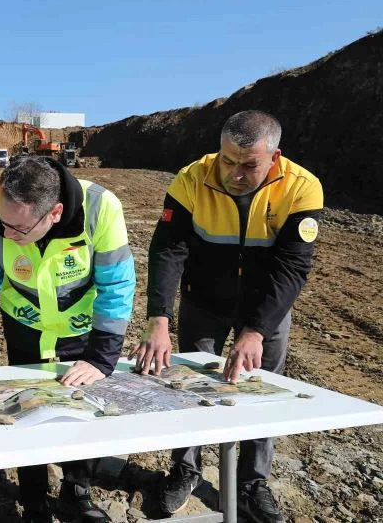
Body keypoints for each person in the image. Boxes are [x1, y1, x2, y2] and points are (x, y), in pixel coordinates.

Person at [130, 110, 323, 522]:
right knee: (188, 390)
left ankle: (252, 482)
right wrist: (159, 319)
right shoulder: (191, 179)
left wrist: (256, 330)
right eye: (227, 160)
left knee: (258, 391)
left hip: (265, 309)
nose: (234, 173)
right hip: (203, 302)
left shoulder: (302, 188)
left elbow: (292, 266)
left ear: (274, 157)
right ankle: (185, 469)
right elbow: (168, 249)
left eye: (248, 165)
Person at [0, 156, 136, 523]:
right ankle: (34, 501)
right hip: (24, 329)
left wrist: (102, 359)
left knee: (80, 411)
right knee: (25, 411)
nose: (7, 233)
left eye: (19, 228)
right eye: (3, 223)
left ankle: (77, 492)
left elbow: (116, 285)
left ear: (54, 213)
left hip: (80, 333)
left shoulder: (101, 208)